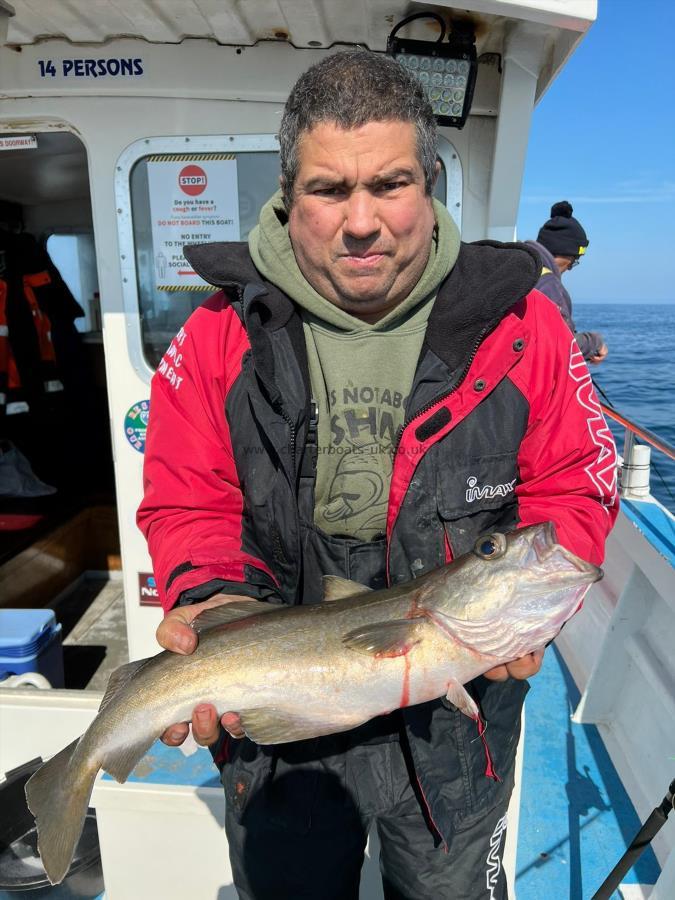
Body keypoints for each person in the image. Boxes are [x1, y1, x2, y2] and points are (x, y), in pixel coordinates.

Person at [137, 50, 618, 900]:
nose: (362, 221)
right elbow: (189, 494)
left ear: (429, 185)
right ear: (288, 197)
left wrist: (530, 611)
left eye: (390, 184)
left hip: (454, 714)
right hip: (282, 695)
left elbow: (574, 481)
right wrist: (210, 596)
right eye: (329, 190)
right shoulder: (215, 335)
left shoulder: (524, 326)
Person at [526, 201, 608, 364]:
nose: (570, 268)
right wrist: (594, 342)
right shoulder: (547, 284)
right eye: (574, 260)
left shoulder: (520, 268)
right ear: (562, 252)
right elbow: (562, 345)